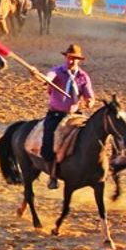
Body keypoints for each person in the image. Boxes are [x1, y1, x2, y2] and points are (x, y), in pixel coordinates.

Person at [41, 44, 95, 190]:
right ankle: (52, 175)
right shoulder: (57, 71)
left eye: (74, 59)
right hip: (56, 114)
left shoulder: (83, 77)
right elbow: (49, 77)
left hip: (74, 114)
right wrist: (43, 78)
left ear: (79, 60)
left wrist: (90, 102)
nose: (71, 61)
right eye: (69, 58)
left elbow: (89, 96)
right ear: (65, 57)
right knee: (49, 144)